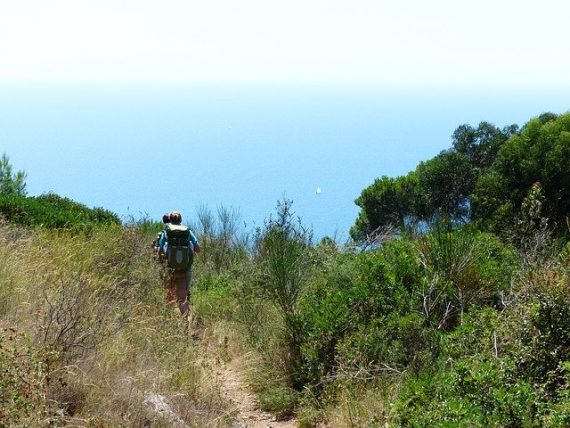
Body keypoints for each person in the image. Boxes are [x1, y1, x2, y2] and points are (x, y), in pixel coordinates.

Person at [158, 211, 200, 319]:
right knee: (182, 298)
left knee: (169, 296)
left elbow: (160, 250)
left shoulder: (166, 232)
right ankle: (187, 324)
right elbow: (198, 249)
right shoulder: (187, 232)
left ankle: (169, 321)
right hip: (185, 270)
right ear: (180, 220)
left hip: (170, 270)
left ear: (170, 220)